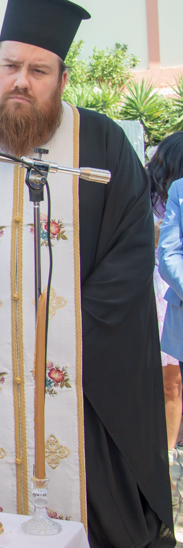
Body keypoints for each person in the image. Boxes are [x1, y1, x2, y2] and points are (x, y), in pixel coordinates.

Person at [0, 0, 172, 546]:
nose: (21, 81)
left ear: (61, 79)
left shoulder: (102, 146)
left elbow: (130, 254)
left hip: (83, 388)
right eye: (10, 66)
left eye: (38, 70)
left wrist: (65, 334)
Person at [148, 133, 183, 471]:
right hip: (157, 292)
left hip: (168, 293)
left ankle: (169, 455)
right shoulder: (149, 198)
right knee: (162, 379)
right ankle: (159, 454)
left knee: (172, 382)